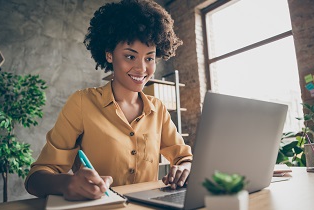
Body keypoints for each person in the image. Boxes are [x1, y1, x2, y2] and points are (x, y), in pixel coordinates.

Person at [25, 0, 192, 201]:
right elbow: (35, 179)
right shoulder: (82, 103)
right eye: (130, 57)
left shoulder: (158, 109)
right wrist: (67, 183)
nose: (141, 68)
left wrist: (184, 168)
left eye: (149, 58)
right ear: (109, 55)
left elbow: (184, 158)